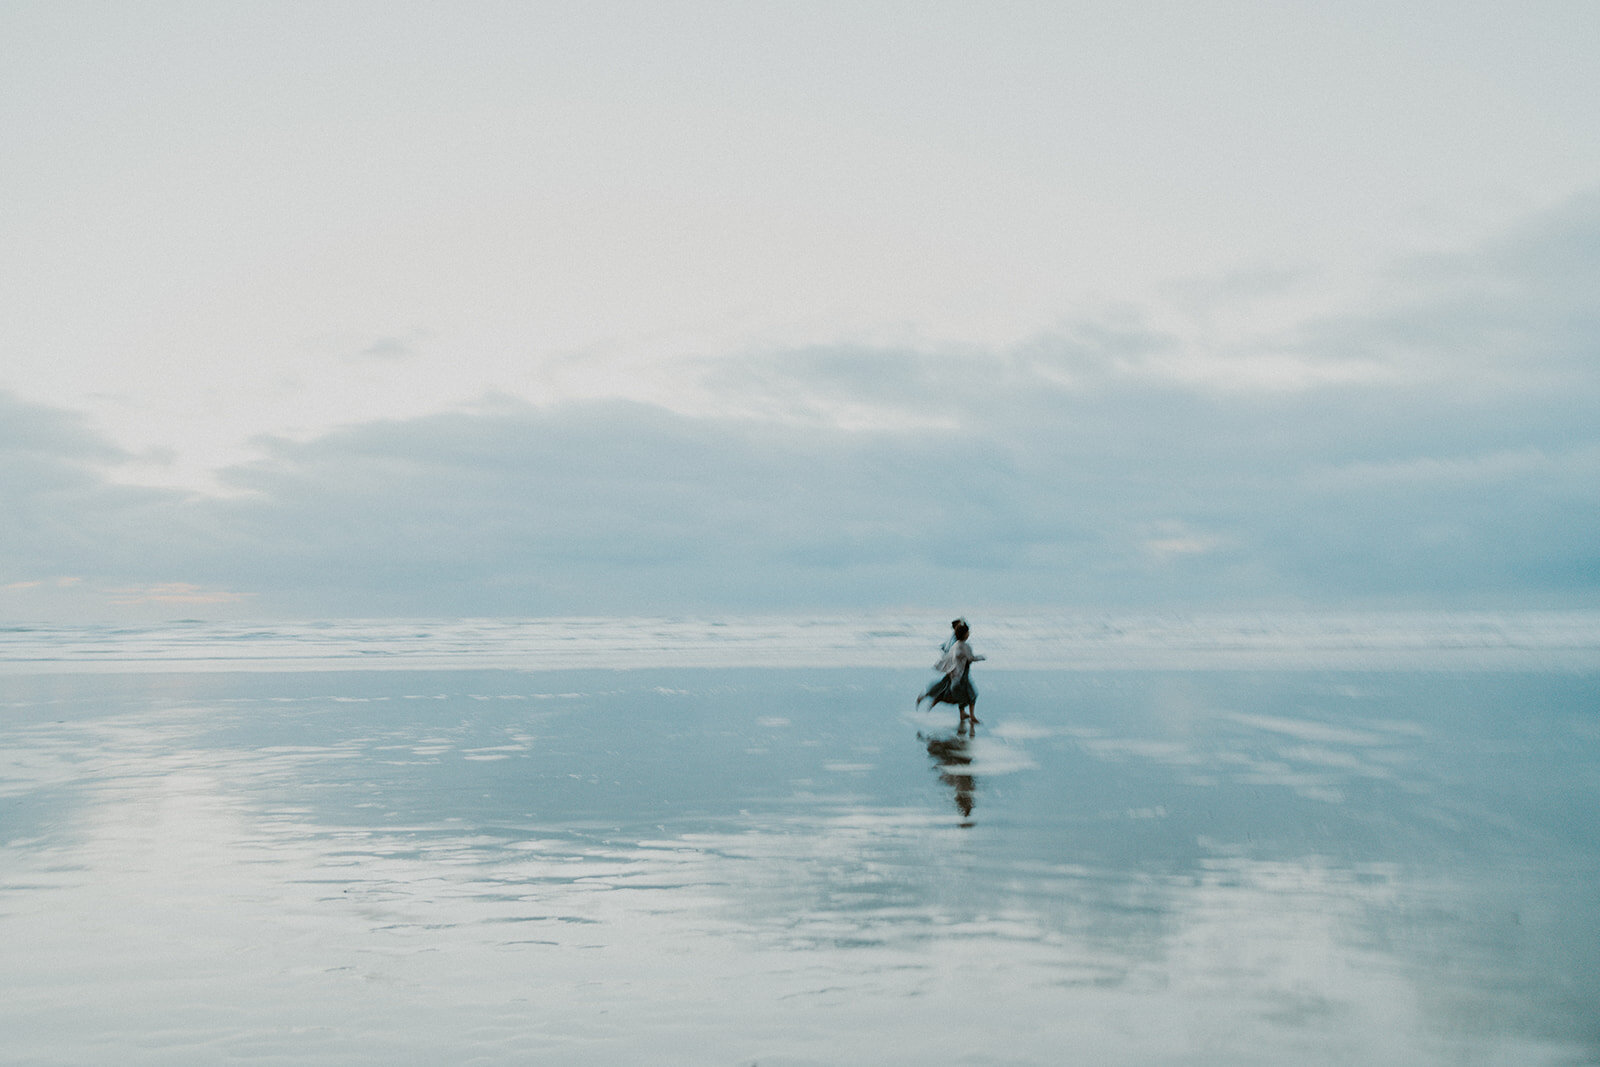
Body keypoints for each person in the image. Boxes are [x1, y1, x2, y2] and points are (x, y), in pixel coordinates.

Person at [916, 620, 986, 731]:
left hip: (955, 671)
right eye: (968, 631)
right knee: (965, 693)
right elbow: (970, 657)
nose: (969, 633)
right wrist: (981, 657)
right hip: (958, 672)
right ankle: (970, 716)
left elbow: (945, 649)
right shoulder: (961, 644)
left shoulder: (955, 641)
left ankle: (962, 713)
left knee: (954, 691)